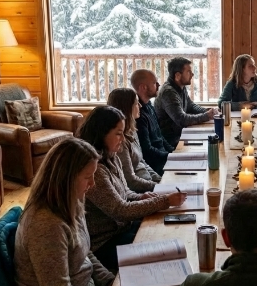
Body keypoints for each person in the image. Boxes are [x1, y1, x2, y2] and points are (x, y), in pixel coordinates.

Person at [78, 106, 186, 273]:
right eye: (118, 133)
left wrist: (141, 197)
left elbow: (125, 192)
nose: (123, 138)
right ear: (102, 133)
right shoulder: (95, 171)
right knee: (162, 245)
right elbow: (120, 210)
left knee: (166, 230)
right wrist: (164, 201)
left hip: (122, 228)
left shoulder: (111, 157)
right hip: (105, 243)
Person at [14, 137, 115, 286]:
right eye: (87, 177)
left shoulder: (73, 200)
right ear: (66, 179)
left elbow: (84, 253)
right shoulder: (46, 225)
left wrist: (109, 281)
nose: (93, 183)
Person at [107, 87, 162, 193]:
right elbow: (130, 181)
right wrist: (158, 186)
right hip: (140, 191)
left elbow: (142, 162)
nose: (140, 106)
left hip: (149, 184)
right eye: (137, 103)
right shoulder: (119, 141)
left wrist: (160, 180)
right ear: (127, 107)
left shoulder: (132, 130)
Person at [155, 57, 217, 147]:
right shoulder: (168, 92)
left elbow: (190, 106)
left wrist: (208, 111)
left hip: (182, 134)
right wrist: (206, 116)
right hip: (171, 142)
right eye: (188, 72)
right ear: (178, 76)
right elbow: (181, 119)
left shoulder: (180, 86)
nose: (192, 74)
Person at [130, 69, 173, 175]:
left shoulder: (149, 106)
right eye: (154, 83)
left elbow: (160, 136)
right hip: (156, 165)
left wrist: (173, 152)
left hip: (164, 157)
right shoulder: (138, 115)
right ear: (143, 87)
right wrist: (170, 156)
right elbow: (147, 150)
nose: (158, 85)